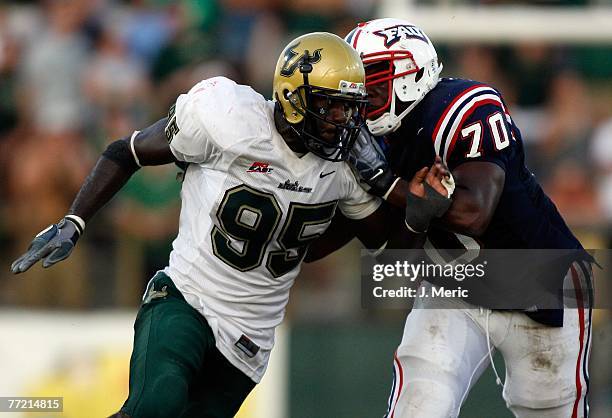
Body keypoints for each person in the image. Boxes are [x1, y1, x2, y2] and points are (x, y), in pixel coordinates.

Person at [11, 32, 451, 418]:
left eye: (349, 108)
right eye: (330, 106)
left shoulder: (348, 167)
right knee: (154, 408)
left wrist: (415, 213)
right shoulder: (229, 117)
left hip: (250, 340)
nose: (342, 121)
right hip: (187, 297)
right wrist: (75, 219)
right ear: (294, 96)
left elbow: (391, 253)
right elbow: (128, 151)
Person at [342, 18, 593, 418]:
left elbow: (474, 212)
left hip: (540, 281)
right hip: (455, 285)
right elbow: (391, 263)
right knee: (417, 407)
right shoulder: (364, 140)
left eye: (373, 77)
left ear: (410, 72)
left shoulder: (465, 106)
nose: (360, 93)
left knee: (548, 410)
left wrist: (388, 183)